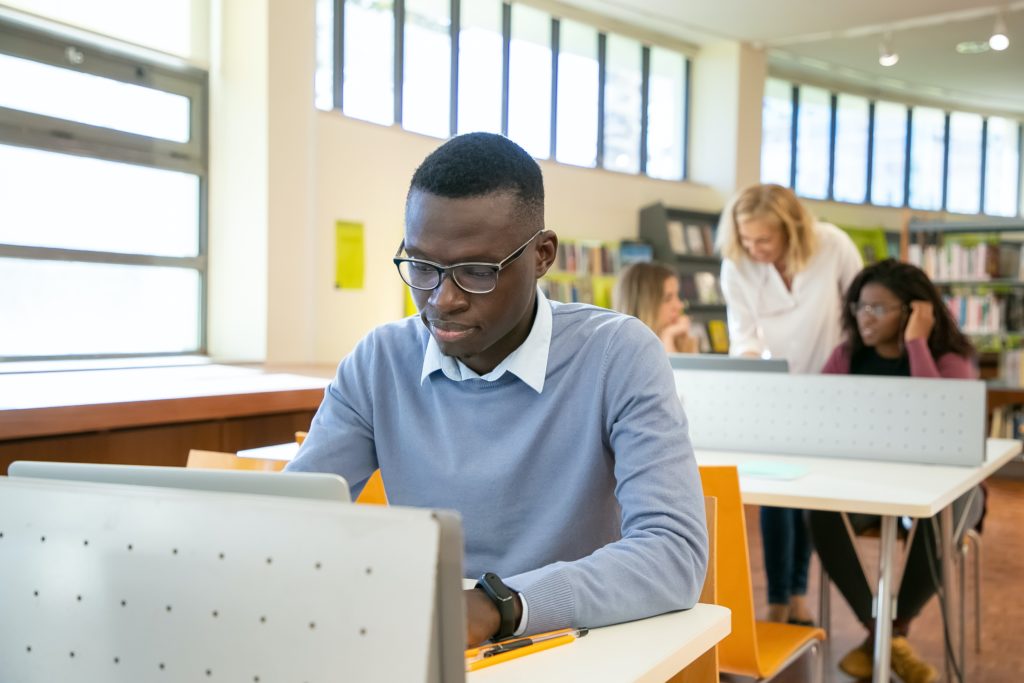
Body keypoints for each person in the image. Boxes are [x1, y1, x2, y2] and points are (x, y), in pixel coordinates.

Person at [286, 132, 708, 647]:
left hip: (579, 648)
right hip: (428, 644)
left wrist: (497, 606)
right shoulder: (379, 361)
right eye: (421, 266)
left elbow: (673, 554)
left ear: (542, 255)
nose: (442, 299)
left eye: (476, 272)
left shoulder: (617, 355)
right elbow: (295, 518)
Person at [808, 258, 981, 683]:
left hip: (947, 490)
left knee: (940, 513)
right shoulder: (846, 357)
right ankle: (887, 636)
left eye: (879, 308)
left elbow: (942, 423)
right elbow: (817, 413)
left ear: (913, 311)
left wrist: (917, 344)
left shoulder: (949, 360)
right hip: (868, 488)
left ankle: (885, 637)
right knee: (820, 512)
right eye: (860, 307)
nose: (865, 317)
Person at [716, 183, 863, 625]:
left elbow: (861, 310)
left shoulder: (833, 245)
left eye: (765, 239)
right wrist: (748, 378)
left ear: (792, 231)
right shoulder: (736, 267)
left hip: (832, 390)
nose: (754, 248)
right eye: (746, 238)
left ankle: (799, 595)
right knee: (779, 498)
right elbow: (743, 337)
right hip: (774, 396)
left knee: (811, 499)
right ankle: (779, 600)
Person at [612, 262, 699, 353]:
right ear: (644, 305)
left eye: (677, 296)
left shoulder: (683, 341)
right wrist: (667, 338)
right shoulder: (626, 354)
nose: (679, 305)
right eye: (668, 298)